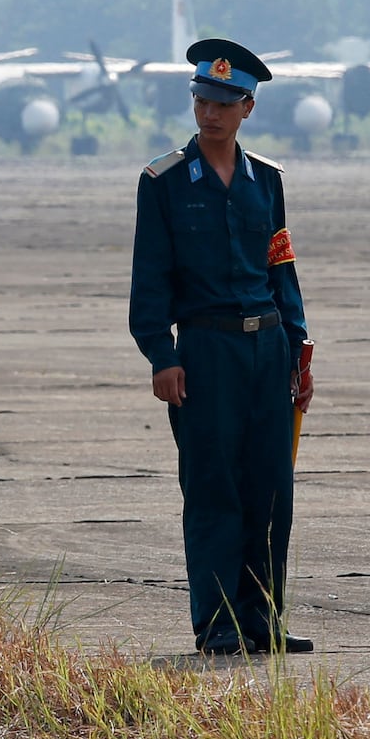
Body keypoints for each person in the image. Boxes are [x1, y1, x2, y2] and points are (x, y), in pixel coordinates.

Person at [128, 37, 316, 656]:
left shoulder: (267, 180)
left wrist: (299, 347)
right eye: (201, 98)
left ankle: (263, 622)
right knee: (212, 489)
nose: (209, 112)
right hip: (204, 354)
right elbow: (149, 277)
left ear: (247, 109)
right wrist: (162, 355)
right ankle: (217, 626)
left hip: (266, 352)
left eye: (223, 102)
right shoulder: (162, 181)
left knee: (270, 491)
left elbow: (280, 266)